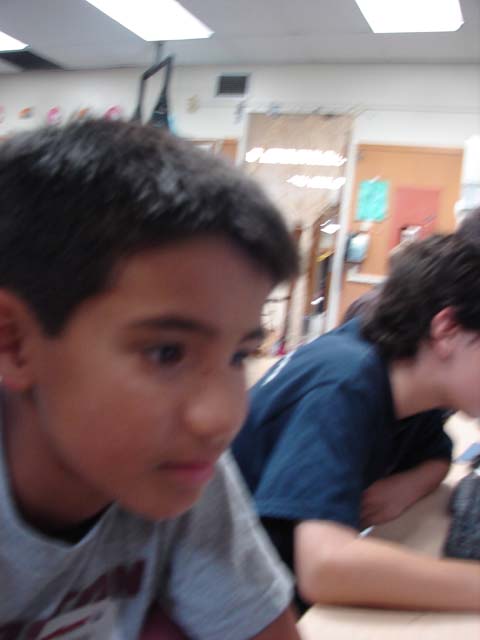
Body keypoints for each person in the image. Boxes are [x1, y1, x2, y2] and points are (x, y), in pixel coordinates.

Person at [0, 120, 301, 639]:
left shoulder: (179, 466)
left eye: (240, 355)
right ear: (14, 344)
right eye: (167, 353)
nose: (222, 418)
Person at [233, 233, 480, 614]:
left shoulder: (411, 381)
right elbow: (324, 568)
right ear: (446, 330)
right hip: (220, 606)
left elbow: (436, 457)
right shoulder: (344, 383)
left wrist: (407, 486)